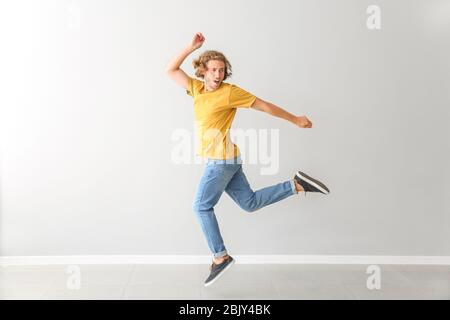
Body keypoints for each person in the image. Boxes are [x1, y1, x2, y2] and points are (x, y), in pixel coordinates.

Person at [165, 32, 330, 287]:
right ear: (203, 72)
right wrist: (190, 47)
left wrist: (295, 119)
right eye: (213, 70)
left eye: (222, 70)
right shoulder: (196, 89)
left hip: (221, 162)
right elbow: (171, 69)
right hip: (229, 160)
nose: (218, 75)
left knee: (200, 207)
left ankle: (220, 257)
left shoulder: (229, 93)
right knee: (250, 203)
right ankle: (296, 185)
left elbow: (264, 106)